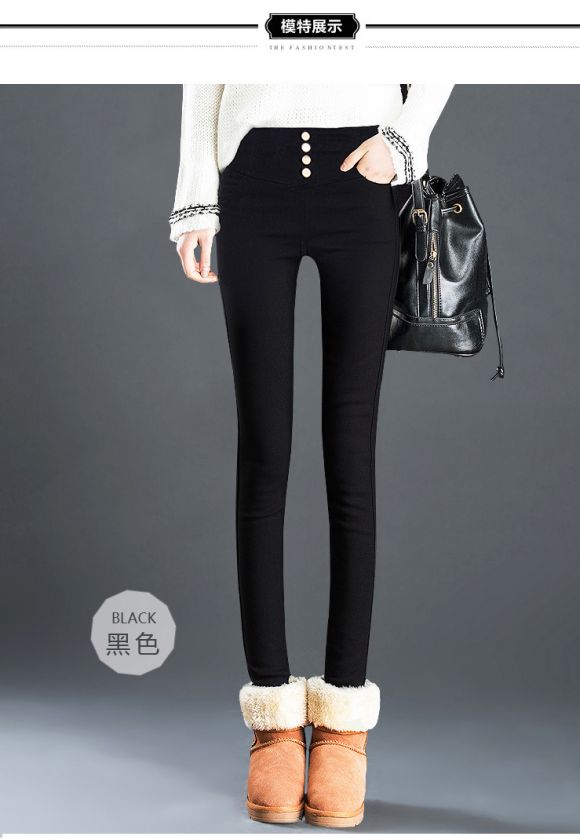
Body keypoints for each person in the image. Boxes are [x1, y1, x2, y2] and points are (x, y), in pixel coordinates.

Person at [169, 83, 454, 828]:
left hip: (359, 181)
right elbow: (200, 63)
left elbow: (448, 37)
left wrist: (402, 141)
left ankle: (342, 728)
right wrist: (196, 201)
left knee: (350, 457)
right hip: (251, 178)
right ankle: (272, 725)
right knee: (263, 453)